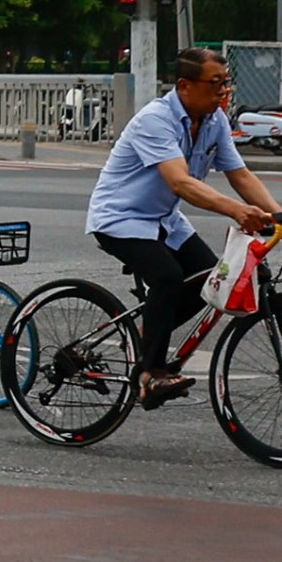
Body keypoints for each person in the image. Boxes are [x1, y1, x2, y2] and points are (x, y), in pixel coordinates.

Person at [85, 45, 279, 406]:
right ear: (185, 86)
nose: (223, 91)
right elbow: (182, 183)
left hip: (163, 219)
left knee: (208, 277)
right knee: (168, 277)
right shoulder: (155, 119)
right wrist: (238, 211)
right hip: (120, 218)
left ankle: (145, 339)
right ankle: (150, 374)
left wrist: (276, 212)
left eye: (226, 82)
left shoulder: (215, 120)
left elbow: (239, 173)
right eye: (215, 83)